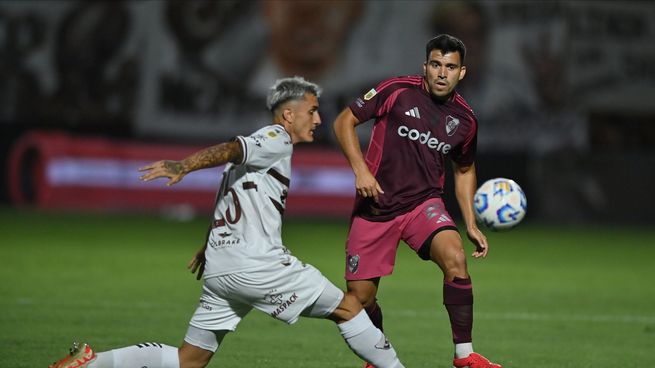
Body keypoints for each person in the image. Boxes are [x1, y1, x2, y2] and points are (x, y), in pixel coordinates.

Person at [48, 77, 404, 368]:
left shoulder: (256, 159)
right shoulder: (275, 138)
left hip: (223, 268)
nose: (318, 119)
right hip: (258, 265)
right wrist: (183, 165)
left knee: (188, 360)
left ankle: (89, 364)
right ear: (288, 116)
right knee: (349, 307)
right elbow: (233, 147)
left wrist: (208, 245)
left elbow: (227, 198)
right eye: (311, 112)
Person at [332, 35, 502, 368]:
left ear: (461, 73)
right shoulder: (396, 90)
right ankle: (376, 356)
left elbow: (464, 169)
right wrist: (361, 171)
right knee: (360, 300)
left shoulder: (465, 120)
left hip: (423, 205)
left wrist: (469, 222)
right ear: (425, 67)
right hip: (376, 207)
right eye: (436, 65)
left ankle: (465, 357)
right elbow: (344, 121)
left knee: (455, 257)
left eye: (450, 67)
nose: (442, 73)